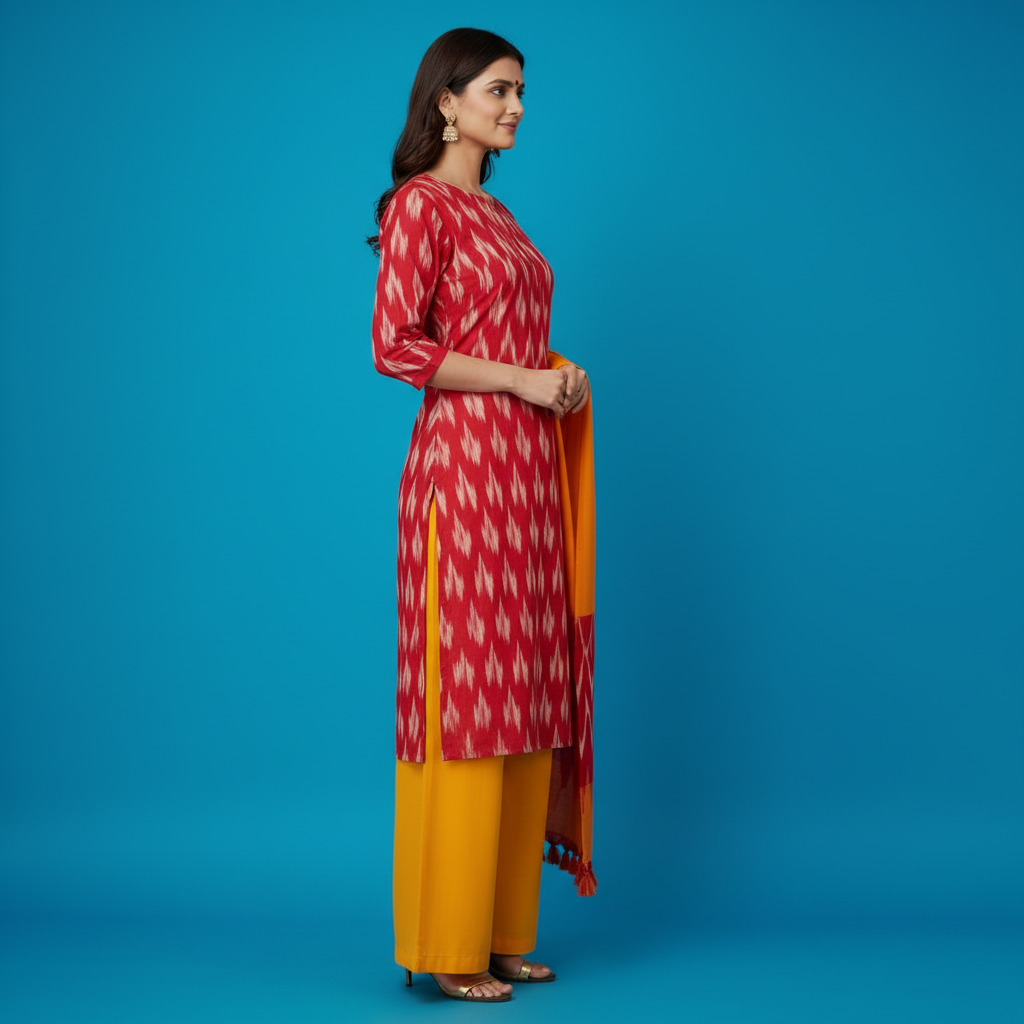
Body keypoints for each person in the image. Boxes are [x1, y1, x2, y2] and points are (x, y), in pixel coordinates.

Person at [368, 27, 590, 1003]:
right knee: (466, 697)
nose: (516, 108)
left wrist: (558, 374)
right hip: (463, 478)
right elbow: (396, 346)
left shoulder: (498, 213)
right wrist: (515, 379)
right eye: (500, 90)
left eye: (520, 92)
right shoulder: (421, 205)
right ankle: (445, 939)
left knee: (523, 694)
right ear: (446, 100)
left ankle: (501, 931)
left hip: (528, 478)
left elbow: (510, 336)